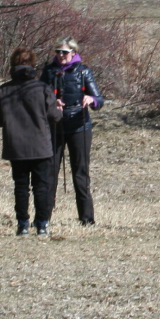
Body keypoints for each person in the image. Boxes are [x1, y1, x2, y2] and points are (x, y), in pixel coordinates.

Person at [0, 47, 64, 236]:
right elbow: (54, 117)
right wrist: (59, 109)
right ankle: (42, 224)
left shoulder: (3, 90)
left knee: (21, 186)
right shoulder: (41, 88)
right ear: (33, 65)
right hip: (40, 145)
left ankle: (22, 224)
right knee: (42, 185)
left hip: (15, 146)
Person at [40, 37, 103, 226]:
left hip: (79, 127)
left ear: (73, 53)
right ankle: (44, 218)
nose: (60, 55)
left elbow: (99, 100)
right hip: (54, 127)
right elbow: (38, 96)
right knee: (49, 172)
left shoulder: (83, 72)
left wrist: (90, 100)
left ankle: (87, 219)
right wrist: (51, 102)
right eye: (57, 51)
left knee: (80, 173)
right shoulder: (48, 71)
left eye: (64, 52)